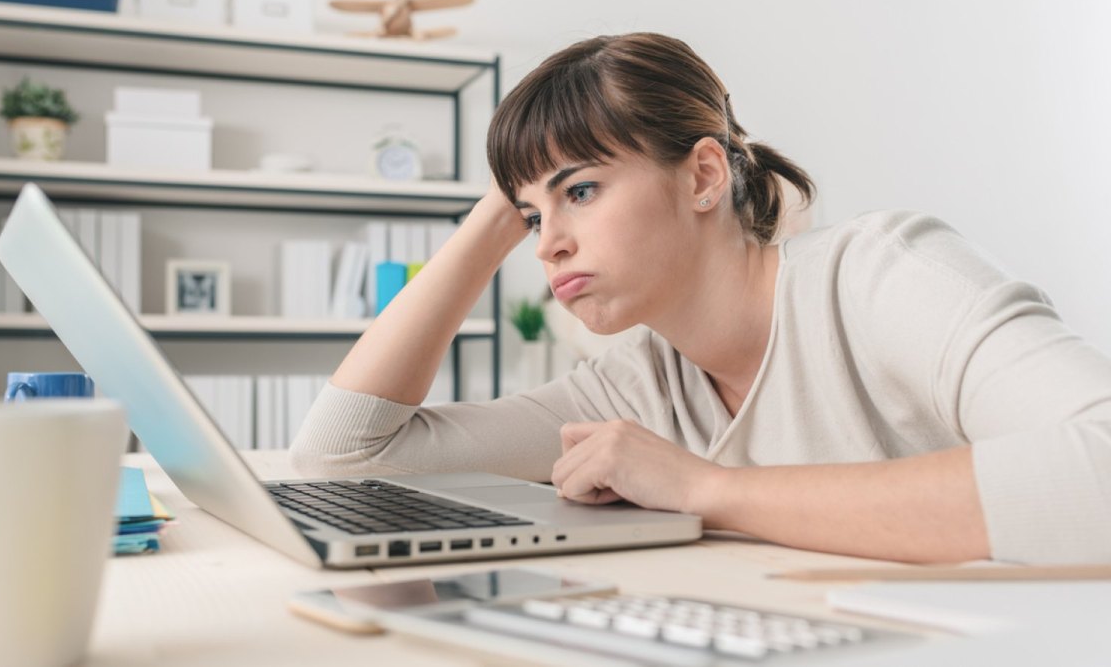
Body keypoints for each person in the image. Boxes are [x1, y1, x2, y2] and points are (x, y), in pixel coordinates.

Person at [291, 33, 1111, 565]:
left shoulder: (880, 276)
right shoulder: (632, 387)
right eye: (531, 216)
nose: (546, 244)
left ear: (704, 176)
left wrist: (705, 488)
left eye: (580, 191)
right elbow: (345, 458)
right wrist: (488, 223)